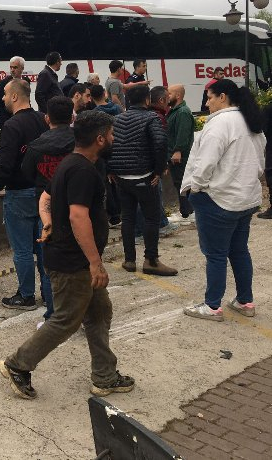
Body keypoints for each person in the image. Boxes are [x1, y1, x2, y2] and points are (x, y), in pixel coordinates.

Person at [0, 110, 135, 400]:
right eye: (111, 134)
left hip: (73, 258)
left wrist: (47, 222)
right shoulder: (82, 171)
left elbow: (46, 197)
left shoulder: (71, 164)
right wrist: (95, 263)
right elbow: (77, 216)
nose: (114, 139)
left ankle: (105, 376)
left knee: (99, 313)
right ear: (100, 139)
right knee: (66, 320)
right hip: (73, 263)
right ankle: (17, 365)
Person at [182, 79, 266, 321]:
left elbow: (205, 163)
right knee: (239, 251)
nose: (206, 103)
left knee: (216, 255)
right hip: (245, 199)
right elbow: (260, 164)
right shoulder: (250, 121)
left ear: (222, 97)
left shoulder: (220, 123)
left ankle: (212, 306)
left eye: (209, 97)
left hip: (218, 199)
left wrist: (196, 188)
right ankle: (245, 301)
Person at [0, 79, 48, 310]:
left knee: (23, 250)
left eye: (6, 94)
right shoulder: (43, 119)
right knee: (43, 246)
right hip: (43, 193)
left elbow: (4, 164)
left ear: (15, 96)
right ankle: (49, 293)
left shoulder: (11, 125)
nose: (2, 98)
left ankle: (26, 296)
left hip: (19, 194)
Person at [109, 85, 177, 276]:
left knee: (128, 218)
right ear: (147, 100)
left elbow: (108, 144)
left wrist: (110, 169)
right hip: (145, 177)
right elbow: (160, 143)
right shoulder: (151, 118)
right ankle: (151, 260)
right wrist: (158, 170)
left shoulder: (116, 119)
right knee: (151, 218)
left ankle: (129, 260)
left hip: (122, 179)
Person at [20, 95, 75, 324]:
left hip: (48, 210)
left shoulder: (35, 146)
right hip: (79, 204)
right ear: (72, 117)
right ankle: (83, 312)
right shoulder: (81, 141)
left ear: (47, 118)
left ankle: (54, 314)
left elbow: (26, 173)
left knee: (51, 264)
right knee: (82, 260)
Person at [166, 85, 194, 219]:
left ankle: (187, 211)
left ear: (178, 95)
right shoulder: (174, 111)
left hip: (180, 156)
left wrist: (178, 151)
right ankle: (186, 210)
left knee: (183, 182)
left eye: (169, 94)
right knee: (179, 182)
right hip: (174, 155)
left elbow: (183, 133)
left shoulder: (182, 112)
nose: (167, 96)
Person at [0, 56, 25, 129]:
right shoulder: (3, 83)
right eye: (11, 67)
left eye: (15, 67)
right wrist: (8, 120)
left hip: (21, 121)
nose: (12, 70)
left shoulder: (25, 82)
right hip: (6, 122)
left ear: (22, 68)